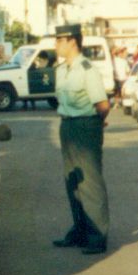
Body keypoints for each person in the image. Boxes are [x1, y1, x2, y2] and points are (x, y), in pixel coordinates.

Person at [51, 24, 111, 256]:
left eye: (59, 40)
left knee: (90, 182)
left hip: (85, 126)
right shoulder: (62, 70)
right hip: (67, 125)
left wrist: (95, 125)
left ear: (72, 41)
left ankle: (97, 236)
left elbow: (103, 105)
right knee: (73, 180)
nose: (56, 45)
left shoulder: (87, 70)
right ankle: (80, 230)